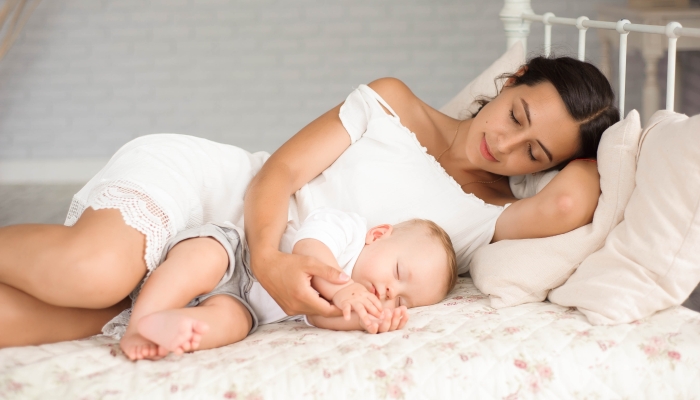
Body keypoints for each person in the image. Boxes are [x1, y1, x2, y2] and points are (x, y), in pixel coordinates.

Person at [0, 56, 619, 348]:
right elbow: (280, 172)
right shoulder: (392, 102)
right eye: (517, 114)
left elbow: (575, 199)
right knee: (94, 273)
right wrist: (270, 258)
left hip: (235, 291)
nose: (505, 143)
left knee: (32, 324)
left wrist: (603, 133)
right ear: (509, 83)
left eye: (534, 154)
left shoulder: (488, 219)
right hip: (218, 197)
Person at [118, 207, 457, 360]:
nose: (389, 292)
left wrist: (368, 320)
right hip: (235, 255)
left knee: (233, 324)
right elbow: (308, 247)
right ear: (379, 235)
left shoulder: (356, 300)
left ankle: (177, 326)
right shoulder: (348, 230)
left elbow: (320, 317)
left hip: (244, 304)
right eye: (398, 273)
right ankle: (141, 321)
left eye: (402, 301)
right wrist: (341, 289)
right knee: (201, 261)